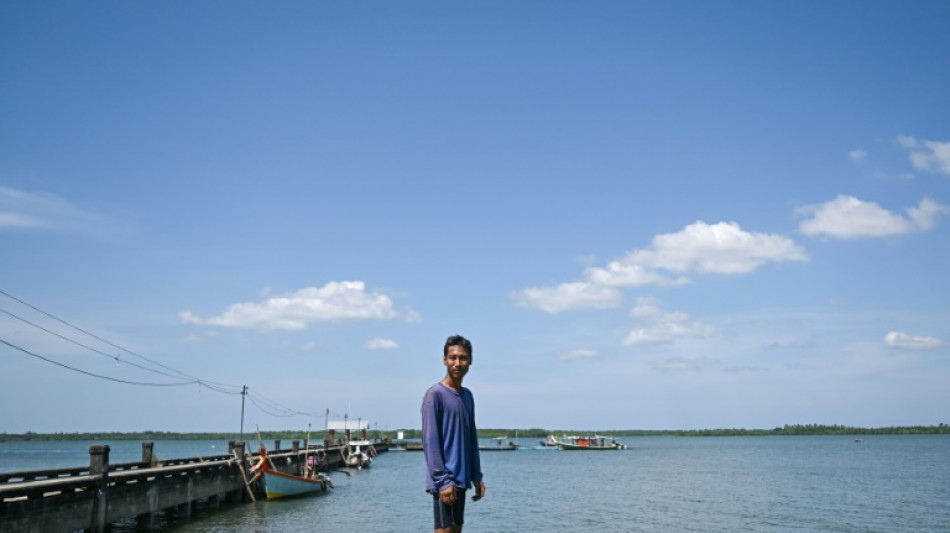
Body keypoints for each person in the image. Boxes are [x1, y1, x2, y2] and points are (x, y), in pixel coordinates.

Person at [421, 335, 486, 533]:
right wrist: (442, 482)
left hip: (462, 480)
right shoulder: (435, 394)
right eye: (452, 358)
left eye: (463, 358)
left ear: (470, 361)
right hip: (445, 482)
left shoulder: (467, 396)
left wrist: (476, 475)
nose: (457, 363)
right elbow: (430, 442)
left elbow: (471, 439)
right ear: (444, 360)